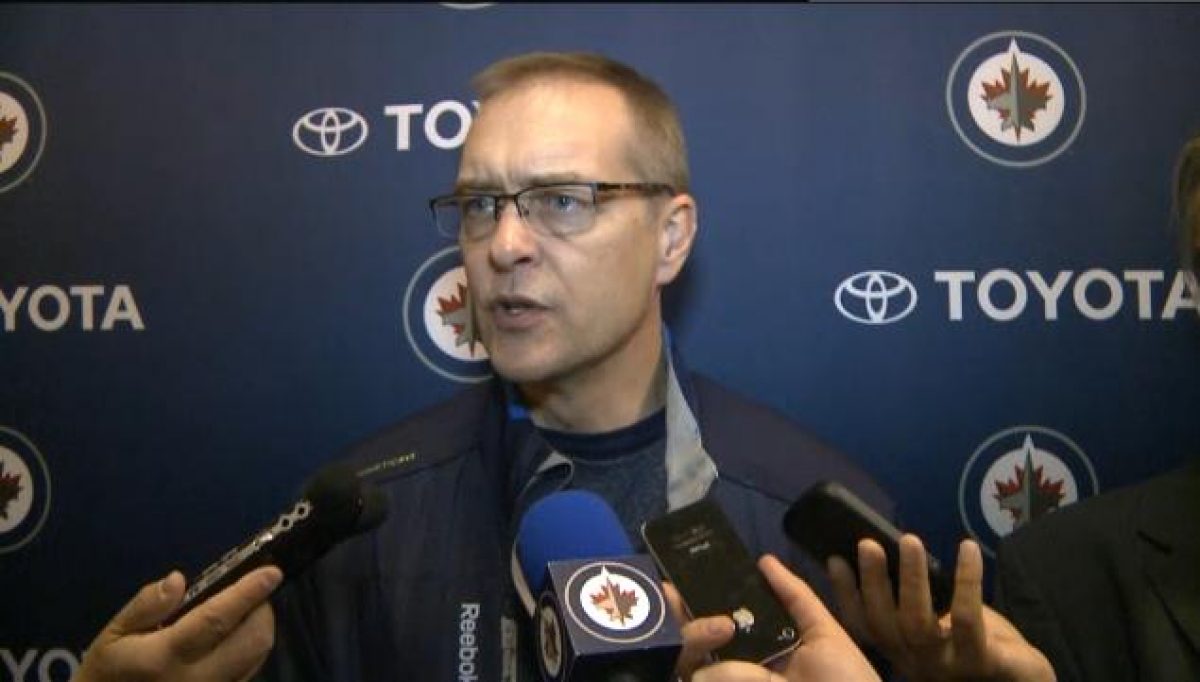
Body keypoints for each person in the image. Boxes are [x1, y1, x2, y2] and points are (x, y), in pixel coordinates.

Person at [73, 51, 893, 682]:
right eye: (479, 205)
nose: (503, 245)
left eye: (562, 200)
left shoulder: (814, 527)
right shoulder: (361, 524)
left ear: (670, 238)